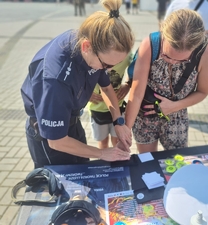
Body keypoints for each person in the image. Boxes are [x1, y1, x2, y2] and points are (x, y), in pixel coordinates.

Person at [21, 0, 134, 168]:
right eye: (107, 66)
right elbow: (56, 142)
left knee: (83, 173)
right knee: (61, 187)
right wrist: (102, 153)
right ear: (86, 46)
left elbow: (106, 87)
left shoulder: (91, 44)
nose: (109, 71)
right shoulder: (55, 81)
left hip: (72, 123)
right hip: (49, 139)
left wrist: (118, 121)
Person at [125, 9, 208, 153]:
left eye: (184, 60)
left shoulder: (207, 52)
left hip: (176, 116)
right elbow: (136, 94)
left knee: (177, 161)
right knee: (148, 162)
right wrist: (125, 131)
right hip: (145, 114)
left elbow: (203, 91)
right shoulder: (150, 45)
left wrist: (174, 106)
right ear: (163, 32)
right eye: (167, 56)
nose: (173, 63)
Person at [87, 53, 132, 149]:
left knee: (117, 141)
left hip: (118, 107)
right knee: (103, 143)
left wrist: (128, 84)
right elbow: (79, 73)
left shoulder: (125, 56)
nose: (109, 68)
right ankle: (106, 163)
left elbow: (135, 69)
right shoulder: (94, 55)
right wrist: (85, 92)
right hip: (97, 108)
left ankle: (118, 162)